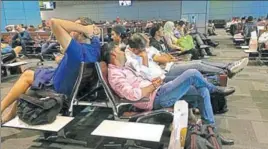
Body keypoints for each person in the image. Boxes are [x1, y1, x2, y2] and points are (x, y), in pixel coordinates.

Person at [102, 42, 234, 145]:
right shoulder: (115, 75)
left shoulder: (124, 68)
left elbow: (140, 81)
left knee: (202, 91)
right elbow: (133, 95)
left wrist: (153, 82)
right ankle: (216, 91)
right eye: (120, 50)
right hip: (156, 99)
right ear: (113, 54)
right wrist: (153, 85)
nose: (123, 51)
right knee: (192, 73)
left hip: (160, 90)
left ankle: (212, 133)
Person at [1, 17, 101, 123]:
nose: (71, 30)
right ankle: (7, 116)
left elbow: (54, 22)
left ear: (81, 32)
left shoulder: (77, 50)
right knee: (27, 79)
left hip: (57, 87)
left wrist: (85, 29)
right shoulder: (94, 47)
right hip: (64, 80)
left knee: (26, 77)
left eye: (75, 27)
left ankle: (2, 110)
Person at [149, 25, 249, 79]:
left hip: (171, 61)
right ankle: (226, 71)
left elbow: (165, 54)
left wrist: (172, 57)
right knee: (198, 64)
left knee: (199, 62)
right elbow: (160, 60)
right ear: (157, 32)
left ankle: (228, 66)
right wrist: (172, 58)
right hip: (168, 66)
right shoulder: (153, 45)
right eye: (161, 30)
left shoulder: (160, 41)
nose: (163, 31)